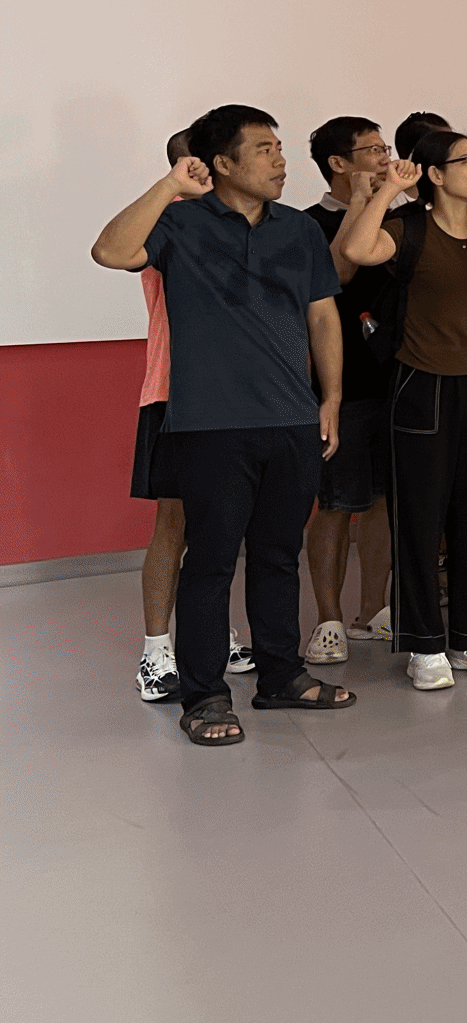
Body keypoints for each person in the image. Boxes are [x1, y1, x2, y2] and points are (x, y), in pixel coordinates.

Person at [92, 105, 355, 746]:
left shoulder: (299, 230)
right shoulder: (179, 223)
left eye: (279, 147)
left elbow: (323, 316)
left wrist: (331, 398)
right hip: (209, 424)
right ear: (222, 163)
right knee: (209, 562)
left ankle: (281, 676)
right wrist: (170, 185)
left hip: (291, 417)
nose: (280, 160)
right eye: (264, 149)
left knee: (278, 555)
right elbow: (109, 251)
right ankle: (205, 695)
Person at [338, 133, 467, 689]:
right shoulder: (409, 229)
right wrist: (388, 189)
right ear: (435, 175)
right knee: (419, 519)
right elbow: (357, 251)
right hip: (422, 385)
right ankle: (423, 644)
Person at [132, 129, 255, 702]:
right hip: (174, 393)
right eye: (198, 163)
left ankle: (212, 637)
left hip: (238, 399)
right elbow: (117, 250)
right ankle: (157, 652)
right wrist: (171, 189)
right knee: (174, 522)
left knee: (223, 524)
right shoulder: (167, 220)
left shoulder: (247, 221)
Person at [300, 115, 401, 665]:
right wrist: (363, 201)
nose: (385, 158)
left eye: (385, 148)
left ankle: (373, 610)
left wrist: (380, 199)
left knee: (385, 500)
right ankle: (328, 620)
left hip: (399, 377)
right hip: (340, 384)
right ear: (339, 163)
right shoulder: (307, 224)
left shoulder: (396, 218)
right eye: (372, 151)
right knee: (338, 503)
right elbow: (338, 273)